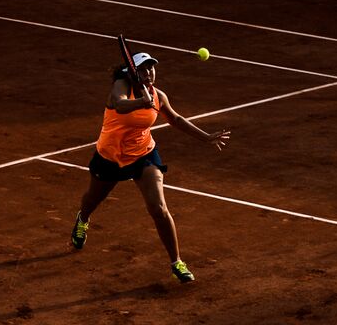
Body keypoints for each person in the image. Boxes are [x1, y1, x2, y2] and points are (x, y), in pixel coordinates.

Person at [69, 50, 229, 283]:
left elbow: (175, 119)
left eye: (151, 67)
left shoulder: (157, 95)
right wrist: (139, 102)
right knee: (93, 199)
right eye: (143, 68)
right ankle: (82, 219)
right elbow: (120, 105)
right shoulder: (120, 86)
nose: (149, 72)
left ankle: (177, 262)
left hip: (144, 154)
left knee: (159, 208)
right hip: (111, 156)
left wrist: (206, 137)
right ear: (132, 72)